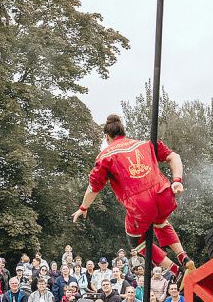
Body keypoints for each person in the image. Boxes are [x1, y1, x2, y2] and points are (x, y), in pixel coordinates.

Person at [72, 114, 194, 277]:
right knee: (160, 221)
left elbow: (93, 188)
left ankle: (176, 271)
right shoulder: (145, 144)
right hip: (164, 194)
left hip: (140, 204)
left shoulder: (105, 156)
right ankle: (184, 258)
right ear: (123, 131)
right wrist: (177, 180)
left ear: (107, 136)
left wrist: (83, 207)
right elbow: (174, 157)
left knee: (135, 241)